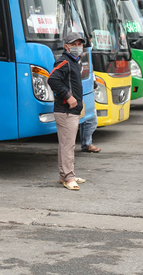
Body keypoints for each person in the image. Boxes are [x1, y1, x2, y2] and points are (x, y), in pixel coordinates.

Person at [48, 31, 87, 190]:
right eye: (74, 44)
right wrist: (68, 96)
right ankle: (67, 176)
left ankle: (66, 174)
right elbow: (52, 79)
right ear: (66, 47)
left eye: (80, 44)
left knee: (67, 144)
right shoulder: (64, 61)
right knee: (67, 145)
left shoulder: (74, 61)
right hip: (65, 110)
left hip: (72, 110)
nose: (78, 47)